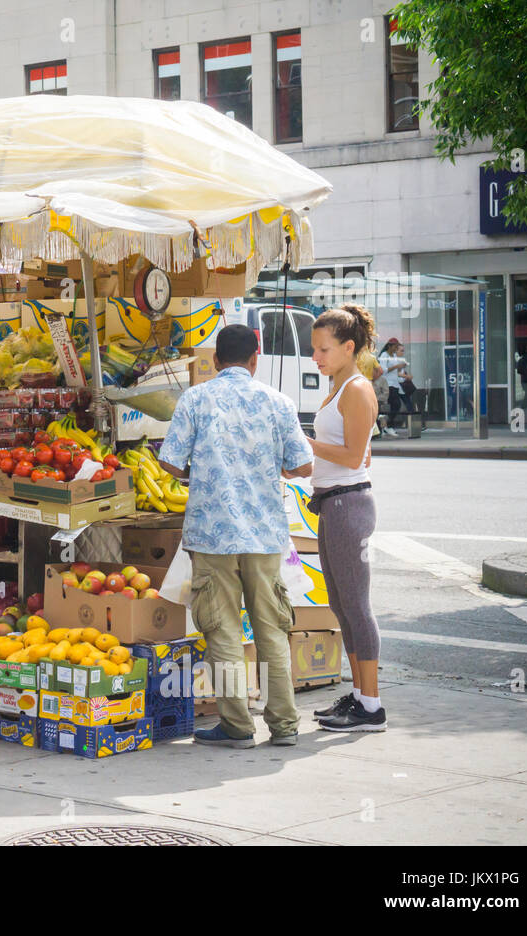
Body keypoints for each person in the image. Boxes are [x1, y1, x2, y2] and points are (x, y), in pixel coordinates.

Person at [159, 324, 314, 749]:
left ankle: (237, 725)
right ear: (255, 358)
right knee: (271, 631)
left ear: (215, 360)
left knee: (223, 632)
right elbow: (303, 466)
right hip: (265, 538)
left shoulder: (196, 398)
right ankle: (284, 725)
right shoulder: (278, 402)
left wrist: (203, 471)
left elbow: (170, 463)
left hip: (211, 537)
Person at [307, 304, 386, 732]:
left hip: (349, 506)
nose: (316, 357)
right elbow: (352, 451)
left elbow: (355, 456)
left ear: (348, 347)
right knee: (339, 603)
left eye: (323, 349)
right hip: (332, 502)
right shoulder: (338, 388)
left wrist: (307, 444)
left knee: (356, 605)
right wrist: (303, 463)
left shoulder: (356, 389)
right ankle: (358, 697)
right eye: (314, 349)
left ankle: (372, 707)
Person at [377, 338, 412, 433]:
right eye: (395, 347)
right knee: (396, 404)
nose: (396, 349)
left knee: (395, 405)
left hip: (395, 384)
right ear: (390, 346)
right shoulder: (384, 355)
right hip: (388, 384)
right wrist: (397, 366)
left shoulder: (394, 356)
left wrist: (402, 375)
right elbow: (383, 370)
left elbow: (396, 372)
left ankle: (387, 424)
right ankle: (387, 424)